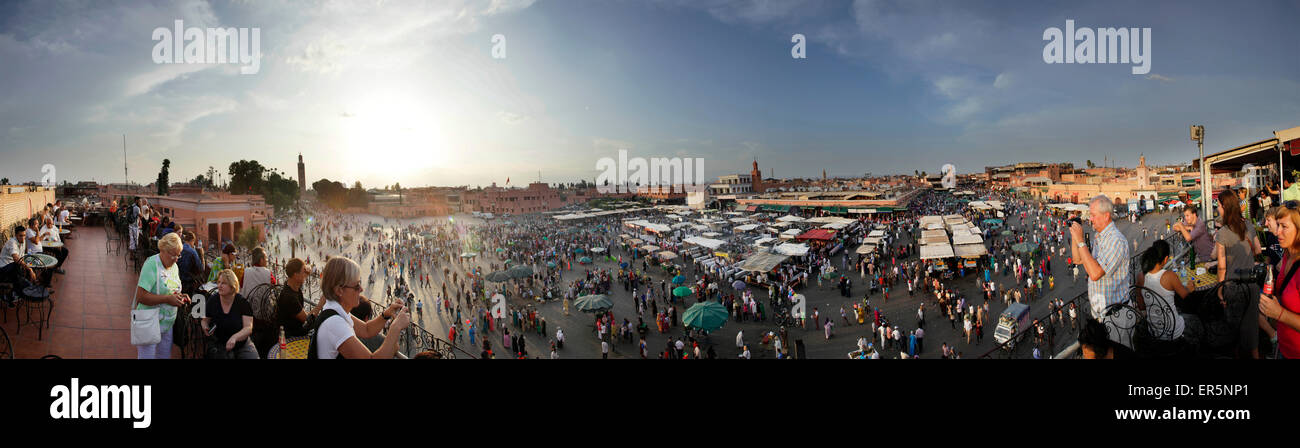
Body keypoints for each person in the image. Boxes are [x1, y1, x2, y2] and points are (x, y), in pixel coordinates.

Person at [309, 257, 410, 359]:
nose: (361, 289)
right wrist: (395, 327)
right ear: (339, 291)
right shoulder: (334, 324)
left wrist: (386, 314)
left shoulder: (336, 310)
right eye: (356, 286)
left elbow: (366, 330)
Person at [1071, 195, 1131, 350]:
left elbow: (1095, 273)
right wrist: (1075, 236)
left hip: (1115, 317)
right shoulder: (1100, 237)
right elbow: (1078, 260)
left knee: (1117, 353)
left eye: (1093, 215)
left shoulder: (1116, 241)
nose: (1090, 219)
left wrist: (1081, 241)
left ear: (1106, 216)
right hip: (1100, 315)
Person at [1212, 189, 1262, 357]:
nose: (1217, 208)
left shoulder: (1223, 233)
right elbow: (1257, 248)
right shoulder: (1247, 224)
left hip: (1233, 287)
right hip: (1252, 284)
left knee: (1234, 329)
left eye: (1218, 205)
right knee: (1252, 325)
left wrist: (1219, 291)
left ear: (1224, 207)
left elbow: (1221, 267)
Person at [134, 232, 190, 359]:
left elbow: (170, 289)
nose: (176, 259)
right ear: (163, 250)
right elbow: (141, 296)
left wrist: (180, 296)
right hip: (149, 322)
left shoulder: (174, 266)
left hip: (167, 324)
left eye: (178, 255)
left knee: (163, 356)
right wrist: (167, 299)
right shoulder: (151, 265)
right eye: (173, 255)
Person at [1133, 240, 1193, 342]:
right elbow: (1184, 295)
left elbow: (1141, 306)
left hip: (1154, 331)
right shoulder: (1169, 276)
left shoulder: (1140, 277)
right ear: (1165, 259)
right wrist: (1190, 288)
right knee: (1194, 320)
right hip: (1174, 331)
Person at [1261, 204, 1300, 359]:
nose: (1277, 232)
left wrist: (1279, 313)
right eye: (1277, 226)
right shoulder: (1287, 254)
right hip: (1284, 347)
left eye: (1284, 226)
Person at [202, 269, 257, 359]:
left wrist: (235, 338)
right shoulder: (213, 300)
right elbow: (205, 320)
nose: (219, 286)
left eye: (223, 283)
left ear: (232, 286)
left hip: (241, 344)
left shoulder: (242, 302)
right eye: (218, 282)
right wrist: (205, 327)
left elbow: (248, 328)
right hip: (219, 343)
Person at [276, 258, 319, 338]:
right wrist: (321, 304)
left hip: (294, 330)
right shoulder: (289, 297)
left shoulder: (291, 285)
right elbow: (307, 320)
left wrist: (306, 270)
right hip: (292, 336)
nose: (305, 274)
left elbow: (302, 275)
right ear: (296, 275)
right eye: (303, 271)